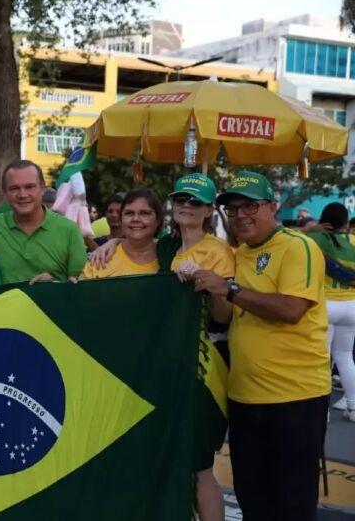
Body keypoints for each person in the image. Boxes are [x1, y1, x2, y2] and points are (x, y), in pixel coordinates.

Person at [192, 171, 329, 520]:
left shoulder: (298, 246)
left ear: (272, 207)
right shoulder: (237, 254)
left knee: (292, 503)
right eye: (233, 209)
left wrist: (230, 289)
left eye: (250, 206)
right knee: (252, 498)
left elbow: (292, 309)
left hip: (295, 397)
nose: (240, 215)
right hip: (244, 397)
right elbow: (224, 316)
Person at [164, 174, 235, 521]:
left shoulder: (218, 252)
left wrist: (210, 285)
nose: (186, 206)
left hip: (204, 366)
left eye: (195, 201)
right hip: (168, 365)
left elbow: (224, 316)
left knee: (199, 465)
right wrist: (110, 244)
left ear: (209, 210)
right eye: (181, 199)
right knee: (171, 459)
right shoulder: (165, 247)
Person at [305, 203, 355, 421]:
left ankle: (322, 412)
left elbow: (283, 234)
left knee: (322, 360)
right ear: (345, 222)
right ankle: (353, 407)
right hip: (352, 306)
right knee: (345, 356)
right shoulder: (353, 240)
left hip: (325, 306)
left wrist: (309, 229)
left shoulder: (315, 239)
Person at [80, 189, 161, 279]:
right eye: (129, 213)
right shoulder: (100, 260)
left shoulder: (169, 253)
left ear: (158, 220)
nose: (136, 219)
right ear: (121, 220)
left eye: (145, 213)